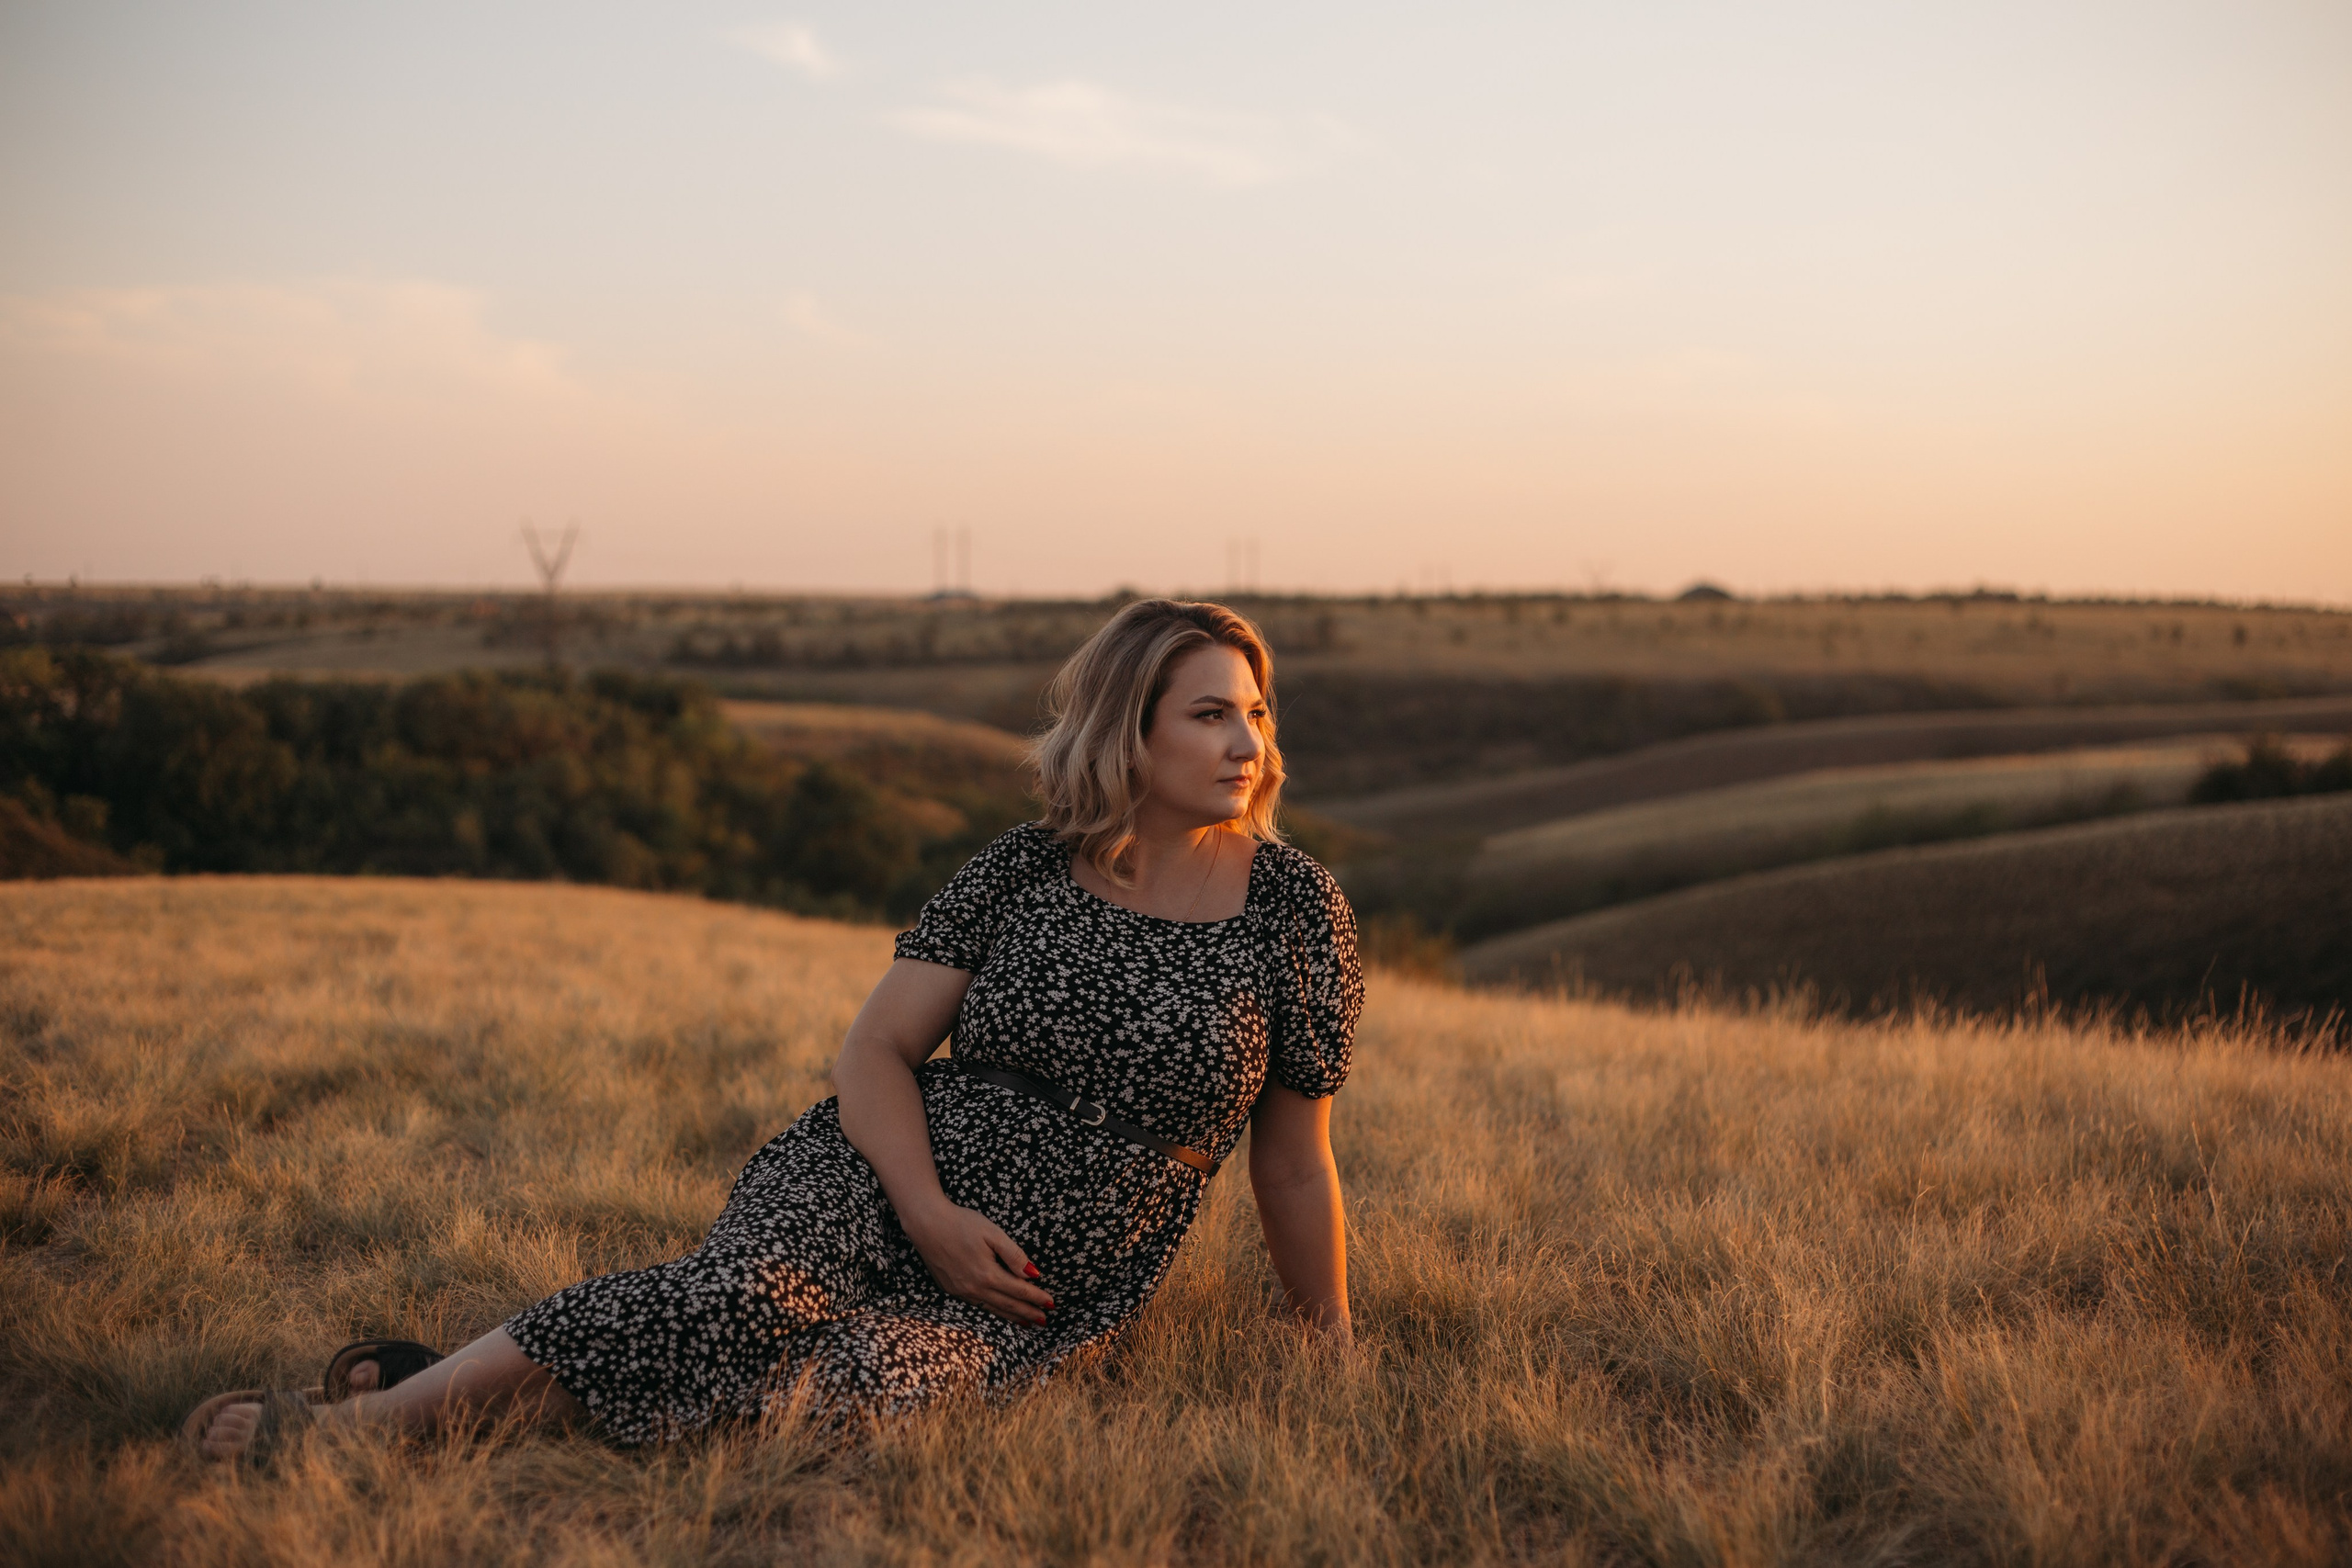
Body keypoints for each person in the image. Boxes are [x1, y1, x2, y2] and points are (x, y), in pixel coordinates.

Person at [187, 598, 1363, 1462]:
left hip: (1049, 1271)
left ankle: (452, 1395)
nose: (1247, 746)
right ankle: (362, 1431)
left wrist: (1330, 1350)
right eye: (1210, 715)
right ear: (1129, 729)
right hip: (887, 1174)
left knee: (844, 1393)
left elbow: (1293, 1162)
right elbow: (875, 1052)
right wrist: (927, 1212)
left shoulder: (1293, 907)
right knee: (746, 1300)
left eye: (1254, 714)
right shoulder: (1023, 868)